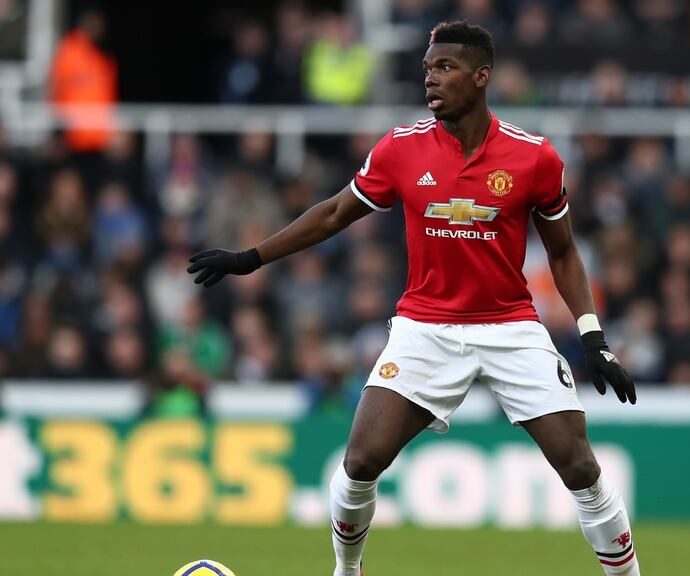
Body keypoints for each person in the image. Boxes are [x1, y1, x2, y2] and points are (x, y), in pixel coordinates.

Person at [188, 21, 641, 576]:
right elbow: (333, 213)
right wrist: (250, 257)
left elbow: (565, 254)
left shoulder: (535, 158)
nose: (431, 80)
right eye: (427, 69)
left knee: (580, 467)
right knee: (360, 462)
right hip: (425, 327)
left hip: (509, 327)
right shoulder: (401, 149)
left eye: (445, 68)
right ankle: (346, 571)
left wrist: (593, 335)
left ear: (482, 77)